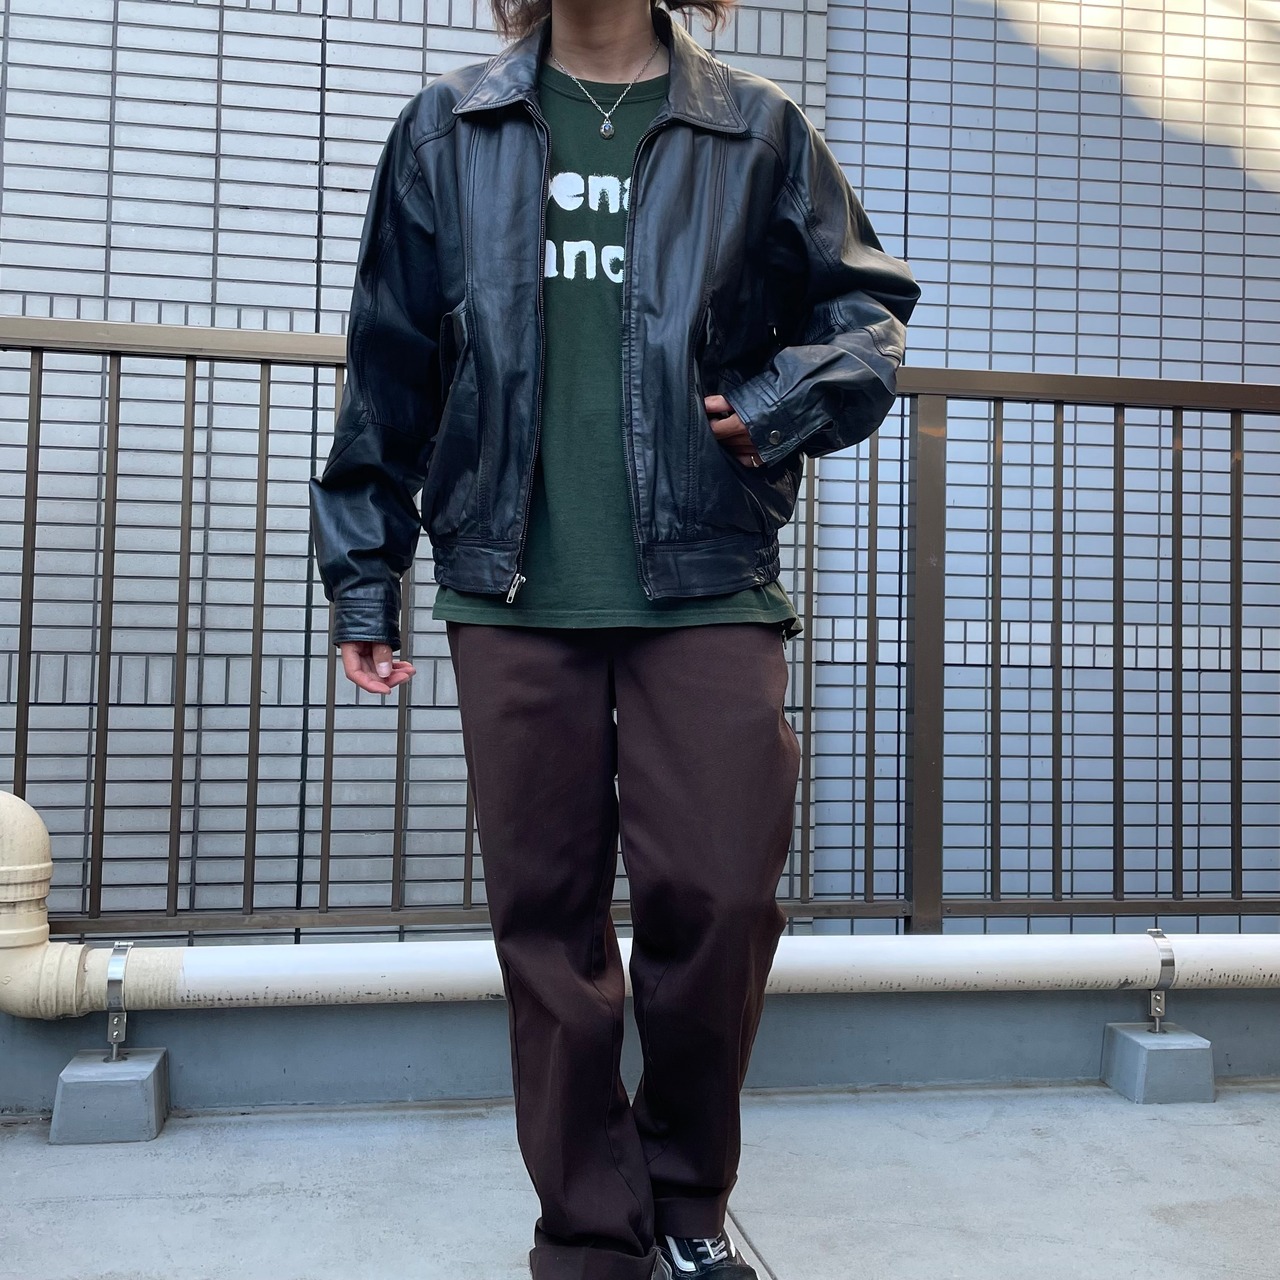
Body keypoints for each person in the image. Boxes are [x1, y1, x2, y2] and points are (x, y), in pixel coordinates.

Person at [308, 1, 920, 1276]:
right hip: (511, 587)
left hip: (704, 578)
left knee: (722, 895)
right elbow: (389, 358)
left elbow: (867, 310)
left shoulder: (754, 128)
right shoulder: (447, 129)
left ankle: (686, 1205)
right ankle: (591, 1235)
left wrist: (776, 402)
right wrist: (366, 575)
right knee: (546, 925)